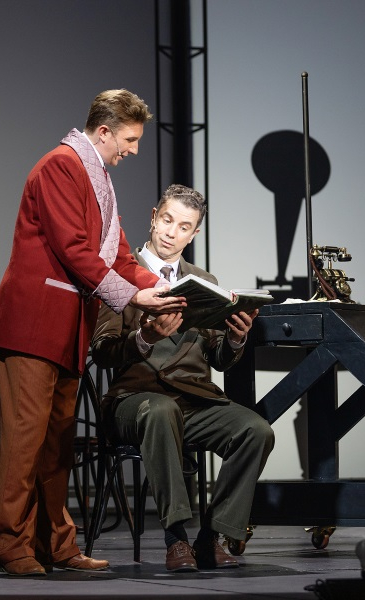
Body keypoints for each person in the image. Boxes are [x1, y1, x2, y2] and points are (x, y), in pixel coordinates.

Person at [0, 90, 185, 577]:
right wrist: (134, 297)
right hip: (35, 325)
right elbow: (74, 249)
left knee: (57, 447)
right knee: (26, 442)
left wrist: (165, 288)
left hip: (68, 329)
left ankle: (56, 544)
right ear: (104, 131)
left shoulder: (99, 179)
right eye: (130, 140)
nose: (134, 150)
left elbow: (118, 258)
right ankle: (12, 546)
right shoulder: (60, 166)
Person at [91, 184, 275, 572]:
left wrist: (236, 338)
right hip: (134, 400)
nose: (171, 233)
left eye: (184, 227)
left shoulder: (202, 280)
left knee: (256, 430)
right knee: (160, 410)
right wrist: (144, 337)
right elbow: (103, 351)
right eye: (167, 220)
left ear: (194, 234)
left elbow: (218, 358)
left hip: (192, 400)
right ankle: (176, 538)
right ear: (154, 217)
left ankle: (212, 537)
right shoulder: (120, 272)